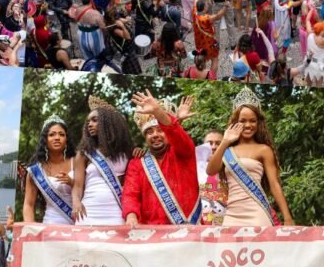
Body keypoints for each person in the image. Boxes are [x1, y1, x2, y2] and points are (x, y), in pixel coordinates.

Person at [206, 87, 294, 226]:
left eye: (252, 121)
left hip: (257, 213)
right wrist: (225, 141)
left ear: (258, 123)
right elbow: (211, 170)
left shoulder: (264, 150)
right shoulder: (227, 150)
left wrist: (287, 217)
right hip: (232, 214)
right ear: (236, 122)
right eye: (243, 121)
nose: (248, 125)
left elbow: (274, 184)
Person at [122, 94, 200, 226]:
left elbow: (176, 134)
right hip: (152, 233)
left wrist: (158, 111)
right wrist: (131, 216)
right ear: (145, 137)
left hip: (188, 231)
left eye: (160, 130)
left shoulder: (182, 152)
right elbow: (130, 194)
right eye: (149, 132)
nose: (155, 135)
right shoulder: (136, 163)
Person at [71, 96, 135, 226]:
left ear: (107, 123)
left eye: (95, 120)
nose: (90, 124)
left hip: (117, 211)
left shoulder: (127, 152)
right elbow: (77, 186)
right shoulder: (83, 153)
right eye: (88, 122)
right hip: (89, 211)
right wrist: (76, 202)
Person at [23, 115, 76, 225]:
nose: (57, 137)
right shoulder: (35, 171)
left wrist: (72, 183)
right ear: (45, 140)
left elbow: (89, 191)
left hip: (79, 224)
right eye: (52, 134)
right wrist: (31, 229)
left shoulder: (77, 162)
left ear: (66, 139)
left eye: (61, 134)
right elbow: (28, 204)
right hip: (51, 225)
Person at [305, 22, 324, 87]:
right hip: (319, 66)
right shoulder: (322, 43)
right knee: (319, 83)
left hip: (308, 62)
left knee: (308, 81)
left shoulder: (310, 36)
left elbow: (307, 21)